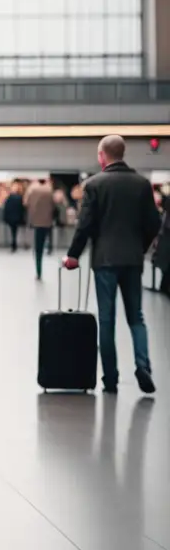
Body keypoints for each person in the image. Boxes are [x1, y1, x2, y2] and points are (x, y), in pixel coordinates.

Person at [64, 135, 161, 396]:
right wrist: (139, 248)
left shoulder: (94, 185)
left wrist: (73, 255)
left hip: (104, 260)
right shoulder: (142, 184)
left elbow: (84, 225)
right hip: (132, 259)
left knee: (107, 320)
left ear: (102, 155)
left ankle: (111, 379)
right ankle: (143, 367)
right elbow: (154, 223)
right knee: (136, 318)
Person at [26, 178, 56, 281]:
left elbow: (27, 204)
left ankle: (38, 271)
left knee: (38, 249)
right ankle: (49, 248)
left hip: (36, 222)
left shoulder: (33, 191)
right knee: (46, 241)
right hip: (47, 222)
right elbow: (54, 206)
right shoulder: (49, 191)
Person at [3, 183, 26, 252]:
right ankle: (16, 244)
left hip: (11, 218)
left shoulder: (8, 198)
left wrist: (5, 218)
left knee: (13, 231)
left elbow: (6, 209)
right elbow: (22, 209)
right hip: (18, 218)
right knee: (17, 231)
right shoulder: (20, 198)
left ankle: (13, 244)